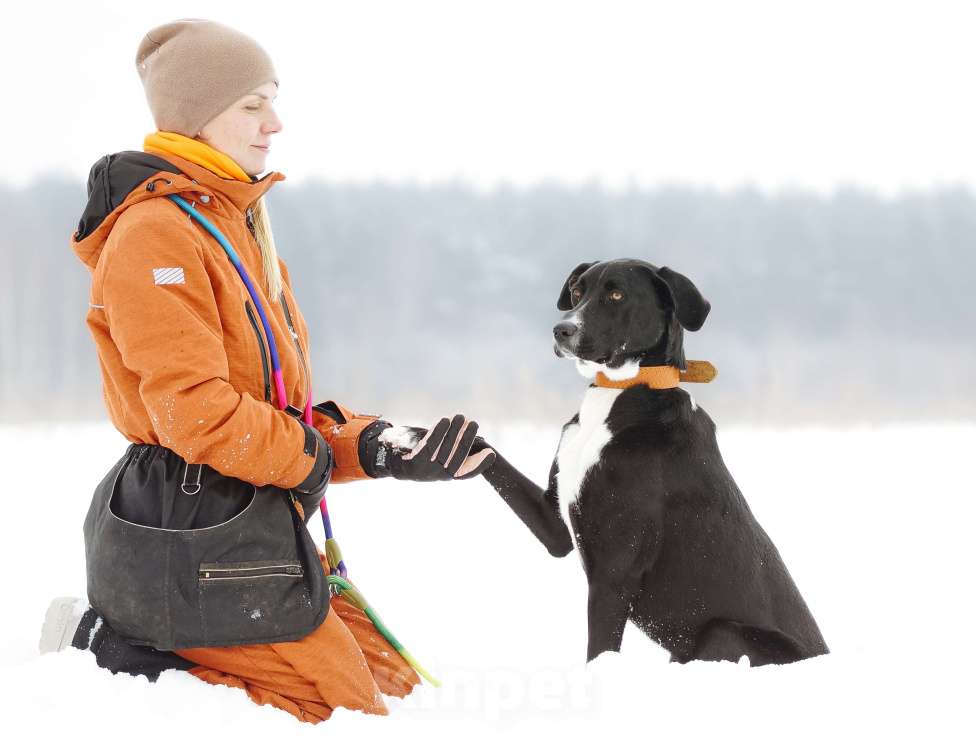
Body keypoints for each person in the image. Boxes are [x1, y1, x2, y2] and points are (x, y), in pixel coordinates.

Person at [41, 18, 495, 724]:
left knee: (389, 684)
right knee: (342, 710)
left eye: (271, 101)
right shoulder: (156, 231)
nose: (274, 123)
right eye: (251, 105)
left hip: (247, 512)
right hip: (187, 519)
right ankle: (107, 648)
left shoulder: (236, 229)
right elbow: (194, 413)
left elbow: (274, 409)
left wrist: (377, 448)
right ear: (196, 118)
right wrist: (311, 457)